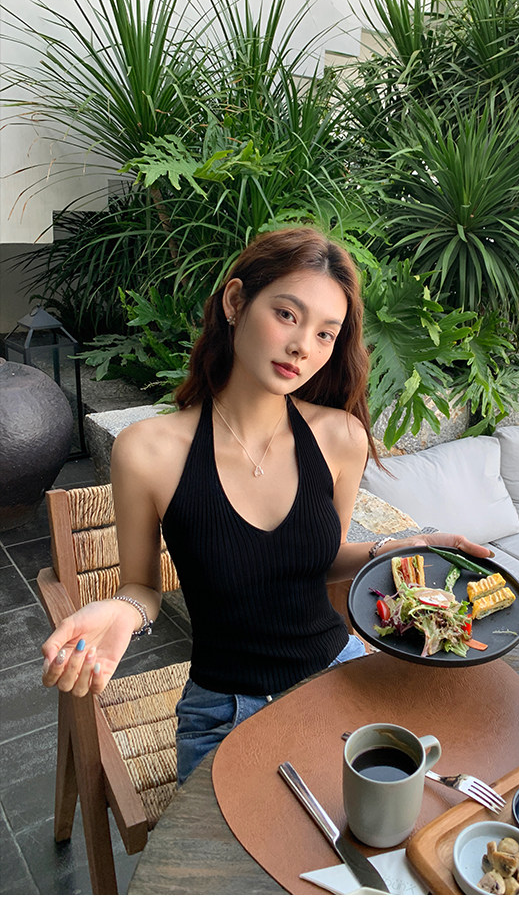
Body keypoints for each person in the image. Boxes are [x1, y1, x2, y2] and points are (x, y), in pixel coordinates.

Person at [41, 225, 491, 784]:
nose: (303, 346)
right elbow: (141, 589)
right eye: (286, 314)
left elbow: (323, 560)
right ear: (235, 302)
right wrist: (123, 609)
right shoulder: (148, 451)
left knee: (400, 818)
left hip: (338, 678)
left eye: (326, 334)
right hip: (224, 710)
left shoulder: (340, 438)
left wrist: (397, 549)